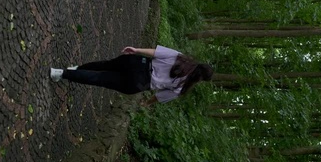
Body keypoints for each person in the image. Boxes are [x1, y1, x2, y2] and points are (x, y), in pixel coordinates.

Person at [50, 45, 214, 106]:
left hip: (138, 63)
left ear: (198, 64)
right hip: (138, 82)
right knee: (99, 79)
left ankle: (75, 68)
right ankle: (63, 73)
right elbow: (159, 96)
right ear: (200, 80)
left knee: (105, 64)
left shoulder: (180, 57)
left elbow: (155, 52)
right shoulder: (181, 88)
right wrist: (147, 103)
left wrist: (136, 50)